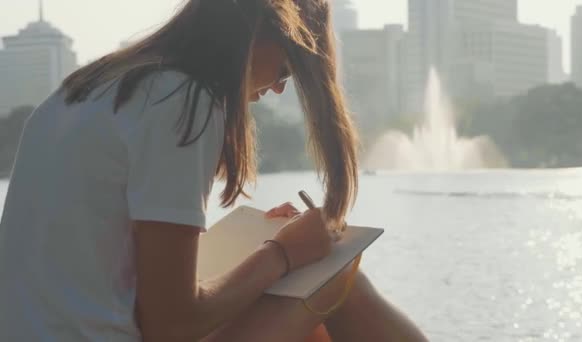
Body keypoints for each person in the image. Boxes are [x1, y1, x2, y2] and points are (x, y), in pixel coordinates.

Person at [0, 0, 428, 341]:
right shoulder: (181, 100)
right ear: (262, 28)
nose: (279, 88)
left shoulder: (90, 88)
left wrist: (260, 252)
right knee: (334, 277)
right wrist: (281, 254)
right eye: (287, 69)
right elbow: (171, 326)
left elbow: (108, 276)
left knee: (307, 306)